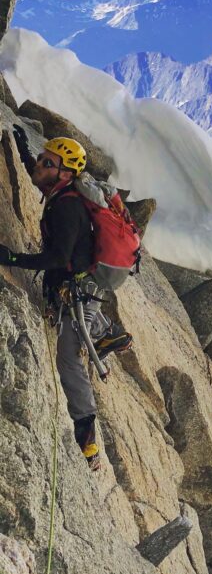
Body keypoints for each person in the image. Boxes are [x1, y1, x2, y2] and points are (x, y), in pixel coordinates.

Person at [0, 136, 132, 471]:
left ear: (62, 173)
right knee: (81, 327)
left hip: (80, 291)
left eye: (48, 161)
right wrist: (23, 150)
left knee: (69, 360)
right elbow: (40, 176)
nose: (42, 164)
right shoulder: (61, 192)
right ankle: (108, 332)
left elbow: (56, 257)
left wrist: (12, 257)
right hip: (79, 287)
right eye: (43, 159)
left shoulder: (67, 207)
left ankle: (88, 440)